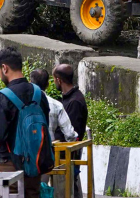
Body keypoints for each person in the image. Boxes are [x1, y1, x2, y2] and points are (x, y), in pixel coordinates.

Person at [0, 47, 53, 198]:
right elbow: (45, 127)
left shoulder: (2, 97)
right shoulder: (39, 94)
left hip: (9, 166)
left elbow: (0, 136)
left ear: (4, 68)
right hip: (34, 165)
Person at [53, 65, 87, 198]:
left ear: (59, 80)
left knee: (68, 189)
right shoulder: (68, 99)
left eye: (54, 79)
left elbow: (71, 133)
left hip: (67, 154)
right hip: (63, 153)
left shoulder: (74, 102)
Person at [29, 69, 76, 143]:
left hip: (26, 152)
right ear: (47, 84)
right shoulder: (56, 105)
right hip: (49, 151)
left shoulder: (23, 103)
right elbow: (70, 135)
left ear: (30, 83)